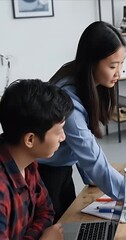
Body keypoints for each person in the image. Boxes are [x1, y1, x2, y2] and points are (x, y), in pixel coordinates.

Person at [38, 21, 126, 223]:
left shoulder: (85, 82)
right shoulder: (68, 100)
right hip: (45, 174)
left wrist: (92, 178)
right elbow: (94, 162)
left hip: (61, 168)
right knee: (55, 227)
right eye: (113, 66)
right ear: (91, 62)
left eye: (121, 64)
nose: (119, 72)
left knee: (65, 224)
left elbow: (82, 147)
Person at [0, 79, 73, 239]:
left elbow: (46, 211)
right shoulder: (2, 188)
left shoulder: (27, 161)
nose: (63, 137)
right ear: (30, 140)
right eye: (59, 130)